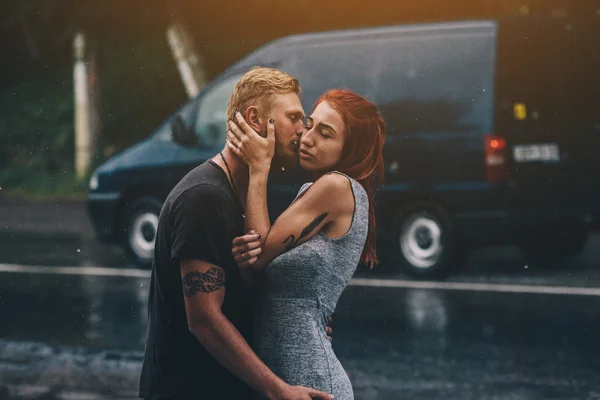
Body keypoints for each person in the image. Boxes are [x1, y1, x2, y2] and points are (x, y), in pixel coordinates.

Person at [138, 66, 334, 400]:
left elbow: (245, 295)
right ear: (255, 118)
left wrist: (303, 323)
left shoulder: (249, 194)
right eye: (293, 117)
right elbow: (204, 319)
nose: (303, 130)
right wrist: (278, 390)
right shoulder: (204, 197)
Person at [227, 88, 386, 399]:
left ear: (349, 149)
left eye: (325, 134)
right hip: (285, 382)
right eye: (310, 125)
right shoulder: (315, 191)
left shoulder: (337, 187)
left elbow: (258, 254)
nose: (307, 137)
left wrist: (259, 167)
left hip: (312, 384)